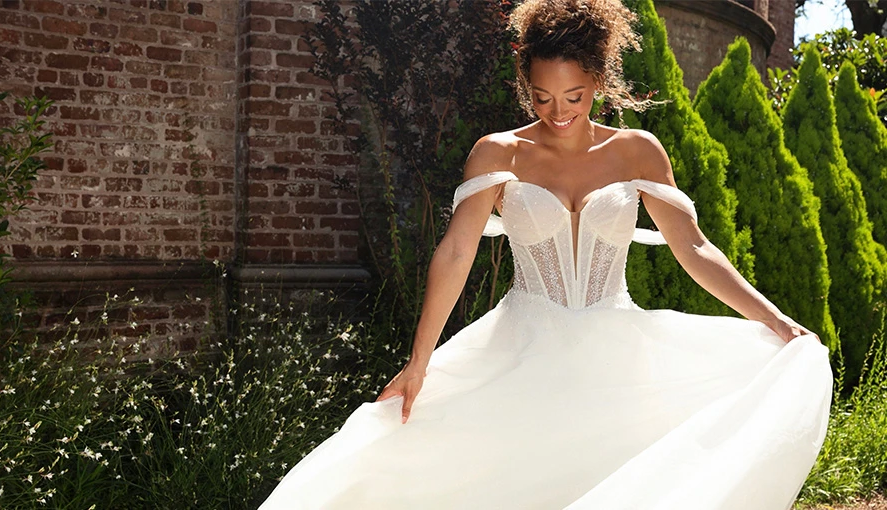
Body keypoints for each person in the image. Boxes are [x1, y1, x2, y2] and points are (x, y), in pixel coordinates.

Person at [259, 0, 833, 508]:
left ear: (599, 82)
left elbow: (695, 247)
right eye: (541, 96)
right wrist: (419, 361)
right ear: (525, 86)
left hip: (616, 353)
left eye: (574, 97)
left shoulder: (638, 151)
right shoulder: (497, 154)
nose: (557, 111)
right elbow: (457, 251)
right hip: (523, 346)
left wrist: (774, 319)